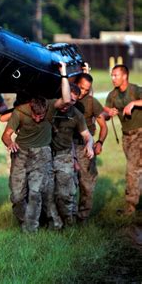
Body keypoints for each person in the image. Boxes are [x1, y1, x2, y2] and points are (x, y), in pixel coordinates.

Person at [1, 62, 71, 233]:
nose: (39, 119)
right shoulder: (20, 112)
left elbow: (67, 99)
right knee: (17, 196)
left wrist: (63, 74)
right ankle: (26, 220)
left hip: (42, 155)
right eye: (36, 115)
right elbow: (6, 134)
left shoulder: (50, 106)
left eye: (41, 116)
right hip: (21, 154)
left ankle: (31, 230)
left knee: (35, 192)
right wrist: (10, 143)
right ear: (31, 108)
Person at [51, 83, 94, 226]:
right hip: (44, 155)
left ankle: (69, 223)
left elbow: (87, 135)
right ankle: (53, 224)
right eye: (67, 99)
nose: (67, 103)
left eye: (73, 101)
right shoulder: (51, 108)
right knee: (46, 193)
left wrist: (89, 145)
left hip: (64, 156)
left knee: (65, 193)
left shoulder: (76, 114)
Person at [104, 64, 142, 215]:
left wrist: (133, 103)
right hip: (126, 136)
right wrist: (109, 113)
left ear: (124, 76)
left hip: (139, 134)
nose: (113, 78)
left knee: (132, 170)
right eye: (112, 75)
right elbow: (105, 115)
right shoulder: (112, 95)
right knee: (137, 169)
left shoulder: (135, 90)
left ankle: (130, 207)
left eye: (116, 75)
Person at [74, 69, 108, 221]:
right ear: (76, 84)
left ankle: (83, 217)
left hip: (85, 146)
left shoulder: (92, 102)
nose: (83, 92)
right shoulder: (68, 98)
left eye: (87, 89)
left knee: (87, 184)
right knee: (67, 184)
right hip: (67, 146)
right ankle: (67, 217)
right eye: (81, 87)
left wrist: (100, 142)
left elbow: (103, 126)